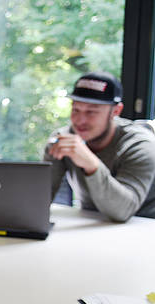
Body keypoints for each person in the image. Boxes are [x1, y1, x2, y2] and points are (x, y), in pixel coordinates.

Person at [44, 71, 155, 221]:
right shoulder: (63, 140)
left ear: (115, 111)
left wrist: (91, 164)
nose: (80, 120)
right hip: (92, 225)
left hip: (142, 229)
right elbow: (41, 198)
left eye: (91, 112)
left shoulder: (139, 145)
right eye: (76, 109)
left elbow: (123, 212)